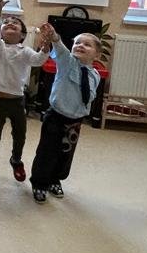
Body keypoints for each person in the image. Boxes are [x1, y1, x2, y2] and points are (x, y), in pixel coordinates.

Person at [28, 29, 102, 203]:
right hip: (56, 117)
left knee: (65, 154)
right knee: (47, 152)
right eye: (77, 42)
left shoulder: (95, 75)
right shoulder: (67, 62)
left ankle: (55, 179)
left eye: (87, 44)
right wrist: (55, 37)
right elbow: (60, 50)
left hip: (75, 121)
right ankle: (39, 183)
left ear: (97, 55)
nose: (80, 45)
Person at [0, 0, 45, 192]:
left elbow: (39, 60)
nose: (10, 24)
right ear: (1, 33)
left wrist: (45, 47)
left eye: (15, 23)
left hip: (17, 101)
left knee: (20, 135)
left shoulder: (25, 52)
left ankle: (16, 160)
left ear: (23, 35)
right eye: (6, 23)